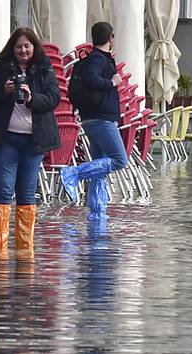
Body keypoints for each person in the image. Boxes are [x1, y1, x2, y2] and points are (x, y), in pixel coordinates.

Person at [0, 27, 61, 259]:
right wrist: (3, 90)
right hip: (5, 138)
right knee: (3, 190)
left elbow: (54, 98)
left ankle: (25, 249)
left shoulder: (44, 67)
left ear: (34, 47)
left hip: (34, 141)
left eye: (27, 45)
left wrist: (33, 97)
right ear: (12, 48)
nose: (23, 50)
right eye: (18, 46)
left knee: (27, 193)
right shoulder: (2, 66)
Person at [60, 21, 128, 221]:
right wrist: (112, 83)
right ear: (110, 39)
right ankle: (73, 173)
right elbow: (91, 79)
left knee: (100, 168)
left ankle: (97, 213)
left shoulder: (96, 58)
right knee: (119, 160)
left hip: (93, 118)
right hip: (101, 119)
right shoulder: (98, 59)